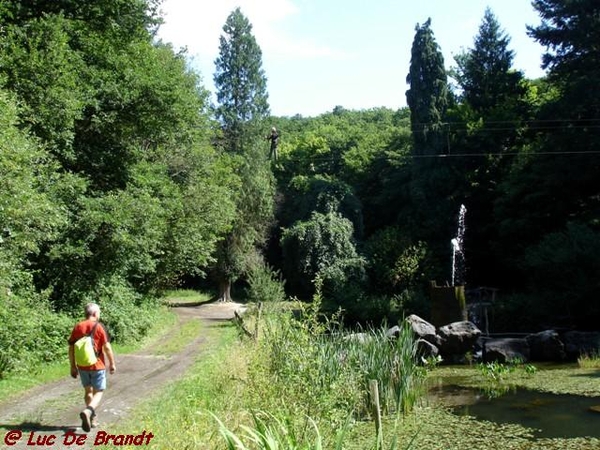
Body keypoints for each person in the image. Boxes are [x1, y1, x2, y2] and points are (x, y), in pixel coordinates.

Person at [68, 302, 116, 432]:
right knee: (99, 391)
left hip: (82, 365)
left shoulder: (78, 327)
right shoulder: (99, 327)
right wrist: (112, 363)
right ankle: (89, 411)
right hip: (97, 365)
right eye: (99, 312)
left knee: (88, 391)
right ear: (95, 313)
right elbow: (106, 347)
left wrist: (73, 366)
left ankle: (92, 417)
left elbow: (71, 348)